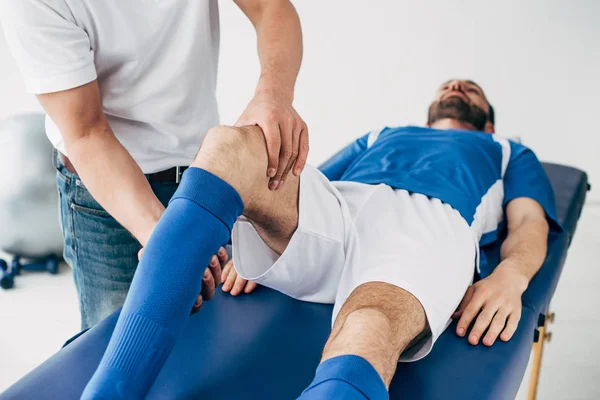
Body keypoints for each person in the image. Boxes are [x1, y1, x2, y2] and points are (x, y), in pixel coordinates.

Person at [75, 78, 558, 398]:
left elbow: (530, 223)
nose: (456, 86)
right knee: (230, 144)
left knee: (368, 327)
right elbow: (294, 175)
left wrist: (511, 277)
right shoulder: (382, 133)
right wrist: (257, 222)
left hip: (427, 223)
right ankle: (111, 390)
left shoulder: (505, 149)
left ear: (487, 120)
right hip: (342, 205)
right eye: (450, 84)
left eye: (468, 89)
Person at [0, 0, 308, 330]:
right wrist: (170, 239)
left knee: (212, 335)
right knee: (124, 344)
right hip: (106, 196)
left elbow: (270, 7)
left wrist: (273, 95)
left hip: (202, 171)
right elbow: (87, 133)